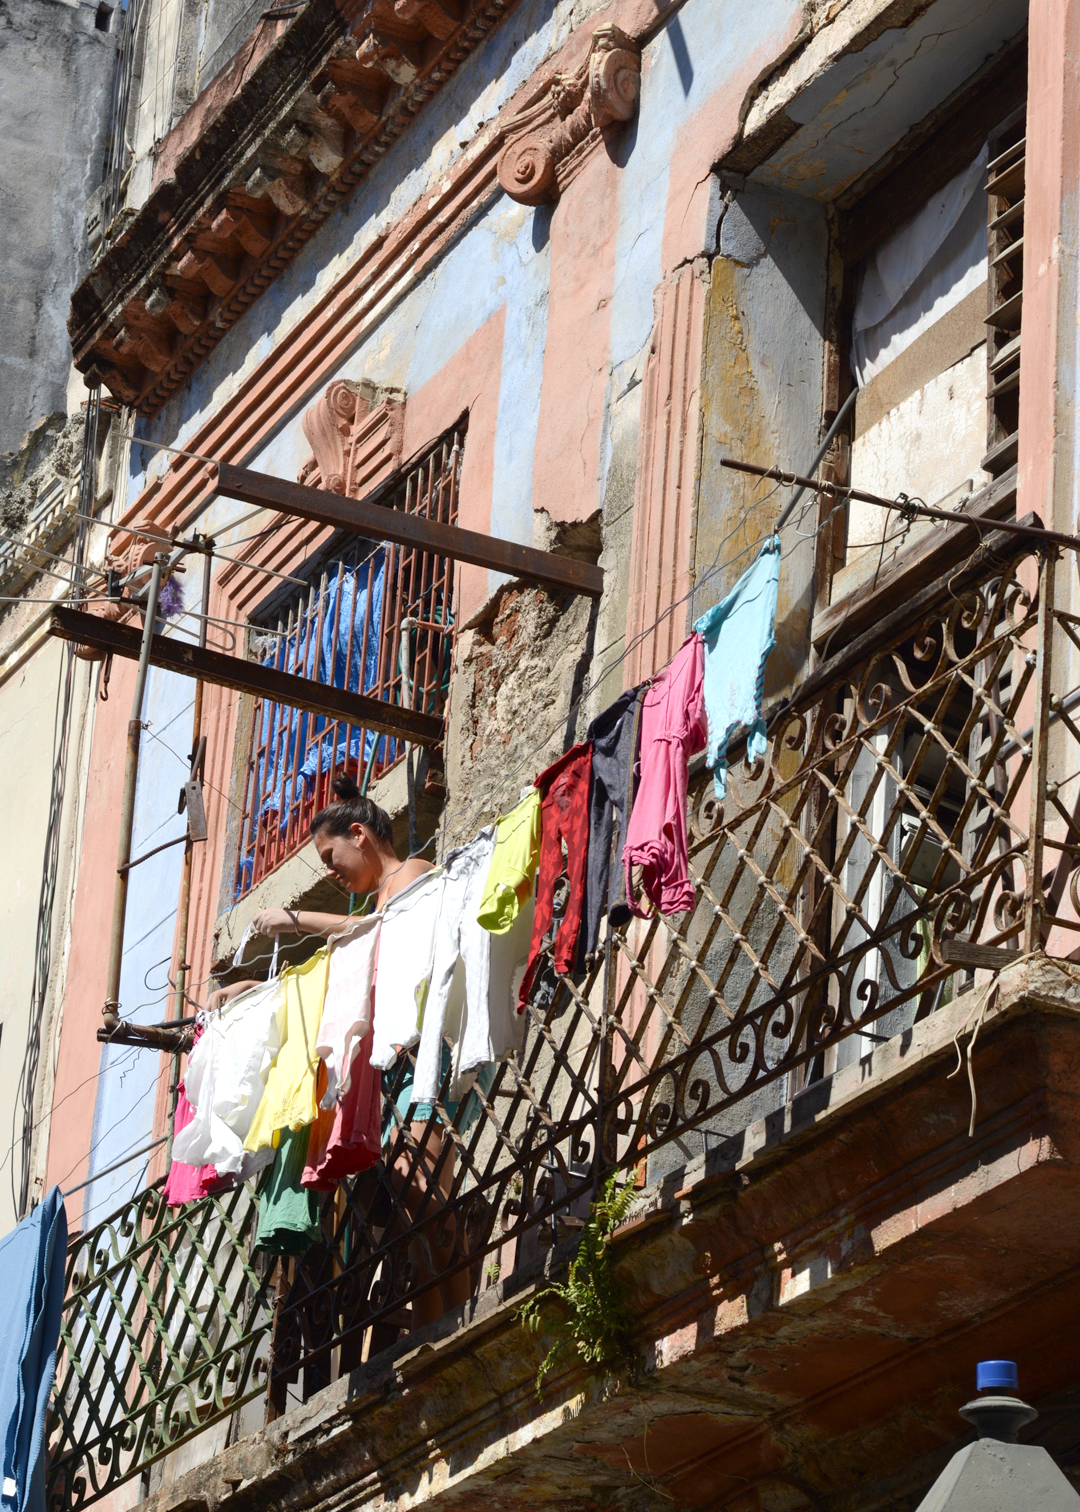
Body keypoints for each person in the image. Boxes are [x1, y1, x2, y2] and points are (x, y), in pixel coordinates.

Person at [209, 774, 465, 1325]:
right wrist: (257, 990)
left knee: (422, 1190)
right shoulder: (377, 900)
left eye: (330, 855)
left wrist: (297, 919)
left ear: (360, 834)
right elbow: (332, 977)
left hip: (416, 1052)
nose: (330, 870)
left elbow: (381, 932)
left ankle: (454, 1315)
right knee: (402, 1206)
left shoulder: (414, 874)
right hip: (384, 1063)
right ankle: (435, 1320)